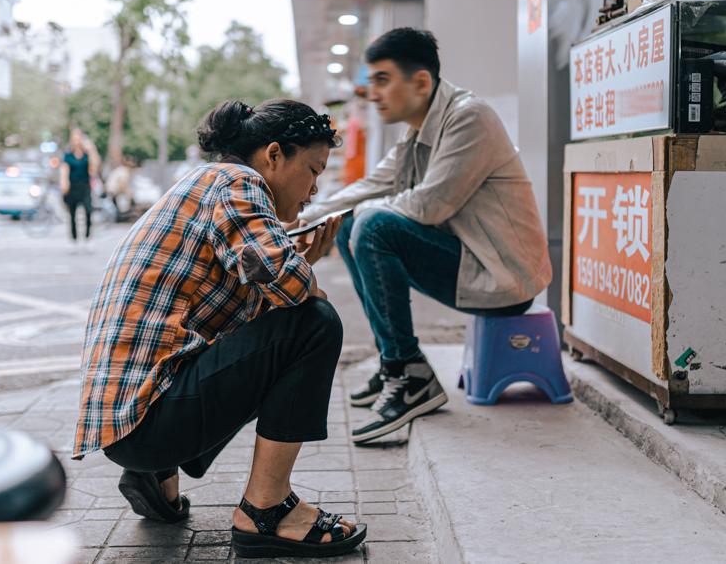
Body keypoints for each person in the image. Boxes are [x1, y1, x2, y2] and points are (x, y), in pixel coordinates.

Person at [72, 99, 368, 559]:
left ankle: (159, 476)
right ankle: (266, 510)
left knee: (292, 322)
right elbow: (290, 289)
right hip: (148, 419)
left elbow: (244, 326)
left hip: (129, 424)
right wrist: (304, 276)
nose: (314, 189)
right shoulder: (238, 182)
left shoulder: (203, 183)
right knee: (316, 324)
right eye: (313, 170)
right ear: (274, 155)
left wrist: (297, 268)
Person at [300, 28, 553, 444]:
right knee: (351, 225)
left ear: (420, 82)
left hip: (504, 276)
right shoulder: (418, 131)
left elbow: (430, 206)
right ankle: (395, 365)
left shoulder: (469, 118)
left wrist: (361, 214)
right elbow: (372, 185)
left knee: (373, 226)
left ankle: (410, 373)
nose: (373, 93)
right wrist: (301, 218)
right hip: (471, 261)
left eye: (382, 80)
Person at [60, 128, 99, 252]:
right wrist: (64, 183)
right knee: (72, 214)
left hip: (85, 187)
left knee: (88, 211)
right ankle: (73, 239)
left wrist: (91, 149)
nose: (76, 141)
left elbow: (94, 168)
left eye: (78, 138)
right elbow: (64, 170)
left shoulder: (87, 154)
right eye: (74, 138)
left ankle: (88, 238)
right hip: (72, 187)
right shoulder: (68, 155)